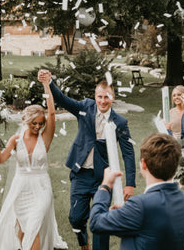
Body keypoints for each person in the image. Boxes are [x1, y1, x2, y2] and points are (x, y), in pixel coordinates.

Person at [40, 69, 136, 250]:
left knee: (101, 221)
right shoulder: (85, 107)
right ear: (95, 96)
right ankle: (84, 243)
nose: (102, 101)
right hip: (80, 173)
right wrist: (49, 82)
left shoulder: (120, 122)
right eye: (99, 97)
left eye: (106, 97)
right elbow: (63, 100)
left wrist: (130, 183)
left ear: (112, 98)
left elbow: (128, 154)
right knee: (75, 218)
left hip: (103, 178)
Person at [0, 78, 67, 250]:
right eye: (34, 123)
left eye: (41, 123)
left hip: (41, 187)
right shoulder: (16, 140)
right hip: (21, 187)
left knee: (34, 227)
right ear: (26, 120)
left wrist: (47, 86)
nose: (38, 126)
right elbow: (0, 159)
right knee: (23, 229)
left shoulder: (45, 138)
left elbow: (52, 114)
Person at [89, 134, 184, 250]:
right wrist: (124, 217)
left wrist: (105, 186)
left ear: (143, 164)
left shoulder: (141, 205)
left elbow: (95, 222)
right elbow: (152, 232)